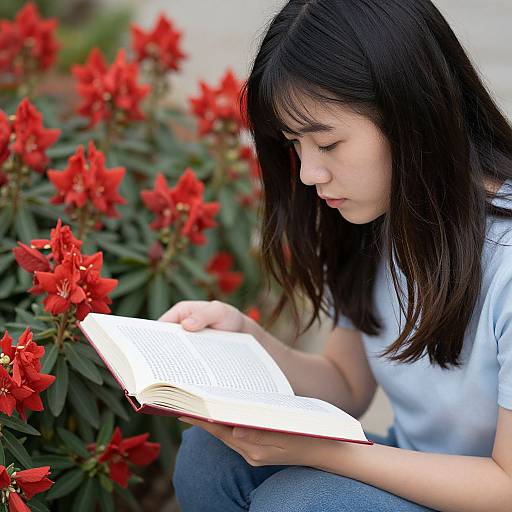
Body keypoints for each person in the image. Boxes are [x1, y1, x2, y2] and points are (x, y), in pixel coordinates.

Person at [162, 1, 512, 510]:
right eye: (294, 145)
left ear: (411, 114)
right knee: (211, 455)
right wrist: (245, 340)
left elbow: (506, 486)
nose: (307, 174)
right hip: (420, 468)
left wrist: (331, 455)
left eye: (327, 144)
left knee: (301, 502)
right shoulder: (379, 214)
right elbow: (348, 385)